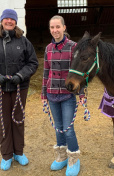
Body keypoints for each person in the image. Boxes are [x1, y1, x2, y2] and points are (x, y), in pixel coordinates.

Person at [0, 9, 38, 171]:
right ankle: (6, 155)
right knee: (4, 122)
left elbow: (33, 63)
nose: (9, 21)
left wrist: (21, 75)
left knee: (18, 120)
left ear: (15, 22)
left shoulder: (24, 41)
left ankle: (19, 152)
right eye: (6, 19)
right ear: (1, 21)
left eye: (12, 19)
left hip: (20, 87)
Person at [41, 15, 85, 176]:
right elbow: (46, 72)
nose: (55, 30)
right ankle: (61, 156)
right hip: (52, 94)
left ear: (64, 28)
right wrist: (43, 93)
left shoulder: (74, 47)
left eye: (58, 27)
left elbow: (80, 72)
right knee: (58, 129)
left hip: (68, 95)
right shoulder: (48, 49)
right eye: (52, 27)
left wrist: (81, 93)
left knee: (68, 129)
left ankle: (73, 157)